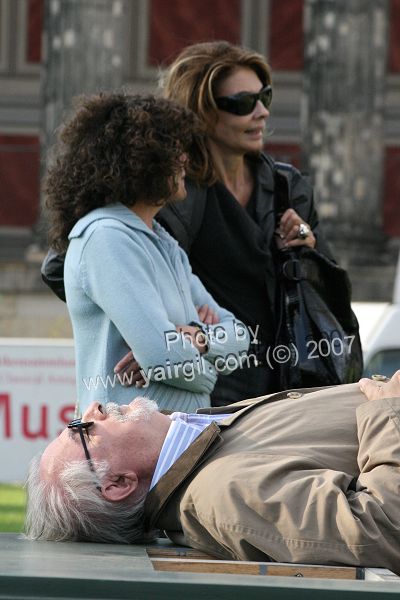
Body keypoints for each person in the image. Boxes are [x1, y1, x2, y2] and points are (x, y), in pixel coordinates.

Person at [42, 41, 360, 406]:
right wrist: (146, 325)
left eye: (265, 97)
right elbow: (61, 267)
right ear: (203, 112)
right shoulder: (158, 192)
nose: (261, 113)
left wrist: (307, 244)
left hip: (285, 379)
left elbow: (331, 290)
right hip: (204, 395)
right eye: (243, 103)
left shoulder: (289, 188)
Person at [26, 372, 400, 574]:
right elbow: (382, 530)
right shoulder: (222, 494)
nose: (91, 408)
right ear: (118, 484)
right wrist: (389, 412)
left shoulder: (197, 450)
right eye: (81, 429)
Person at [43, 92, 249, 414]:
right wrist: (208, 372)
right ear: (140, 160)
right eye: (174, 150)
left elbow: (239, 338)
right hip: (126, 449)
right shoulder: (105, 238)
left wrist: (199, 337)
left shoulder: (165, 243)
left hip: (176, 441)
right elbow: (161, 354)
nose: (185, 160)